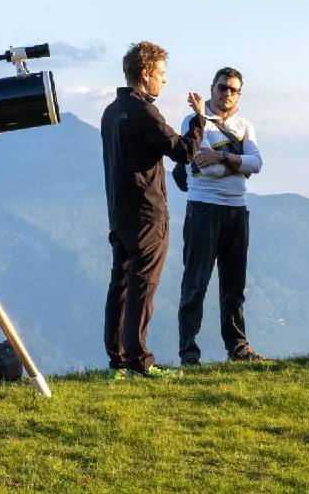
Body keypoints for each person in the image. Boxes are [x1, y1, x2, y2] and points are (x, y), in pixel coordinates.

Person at [101, 41, 205, 379]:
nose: (164, 81)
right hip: (147, 213)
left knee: (120, 284)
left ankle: (117, 360)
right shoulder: (143, 111)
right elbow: (184, 151)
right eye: (161, 74)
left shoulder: (112, 111)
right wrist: (199, 120)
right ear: (145, 74)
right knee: (143, 285)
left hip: (119, 210)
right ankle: (139, 361)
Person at [177, 67, 265, 365]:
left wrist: (223, 157)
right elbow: (203, 165)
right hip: (204, 207)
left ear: (239, 95)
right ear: (211, 88)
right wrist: (237, 165)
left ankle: (238, 348)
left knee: (234, 284)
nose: (227, 93)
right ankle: (189, 352)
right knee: (195, 283)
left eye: (233, 89)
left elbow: (257, 163)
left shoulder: (245, 125)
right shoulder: (194, 120)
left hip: (237, 210)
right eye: (222, 87)